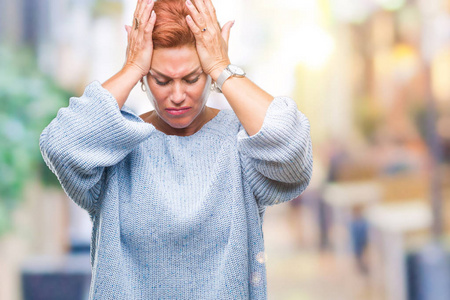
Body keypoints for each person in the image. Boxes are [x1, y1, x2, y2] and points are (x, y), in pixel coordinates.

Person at [39, 0, 313, 298]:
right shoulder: (113, 148)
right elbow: (59, 144)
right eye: (162, 80)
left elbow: (294, 156)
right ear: (144, 78)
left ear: (209, 74)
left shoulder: (240, 143)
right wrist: (131, 67)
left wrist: (223, 67)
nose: (178, 95)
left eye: (192, 78)